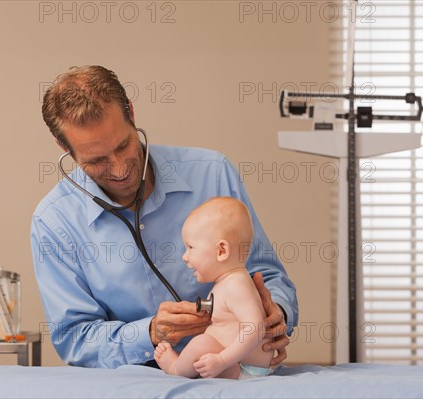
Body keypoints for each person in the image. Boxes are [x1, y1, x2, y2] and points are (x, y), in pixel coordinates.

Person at [31, 65, 298, 368]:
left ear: (131, 113)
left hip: (230, 369)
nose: (119, 169)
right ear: (65, 148)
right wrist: (150, 333)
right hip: (132, 381)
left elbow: (270, 277)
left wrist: (276, 315)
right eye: (97, 161)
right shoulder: (53, 223)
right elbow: (75, 339)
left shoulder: (213, 174)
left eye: (123, 145)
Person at [155, 197, 272, 380]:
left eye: (190, 247)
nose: (185, 257)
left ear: (221, 251)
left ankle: (176, 368)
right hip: (236, 364)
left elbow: (254, 329)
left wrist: (222, 360)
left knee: (201, 343)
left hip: (242, 368)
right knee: (204, 342)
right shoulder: (227, 283)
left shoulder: (235, 285)